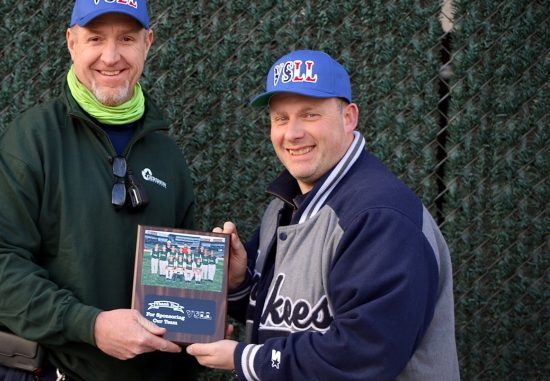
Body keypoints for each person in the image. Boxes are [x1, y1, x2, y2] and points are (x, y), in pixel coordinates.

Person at [187, 50, 460, 381]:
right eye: (280, 118)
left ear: (349, 117)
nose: (293, 133)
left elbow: (364, 353)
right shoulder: (284, 204)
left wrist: (248, 359)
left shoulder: (381, 216)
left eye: (310, 115)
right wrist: (241, 284)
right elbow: (285, 320)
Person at [0, 1, 199, 380]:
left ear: (148, 43)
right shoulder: (30, 141)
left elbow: (181, 285)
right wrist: (90, 326)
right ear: (71, 42)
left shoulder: (168, 155)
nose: (111, 56)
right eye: (95, 39)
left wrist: (201, 327)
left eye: (126, 38)